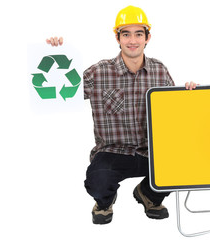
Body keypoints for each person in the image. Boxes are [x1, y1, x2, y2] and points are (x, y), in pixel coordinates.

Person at [47, 5, 198, 225]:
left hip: (151, 152)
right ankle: (105, 202)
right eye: (126, 34)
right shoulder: (99, 72)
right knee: (98, 182)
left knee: (184, 164)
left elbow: (174, 113)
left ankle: (149, 194)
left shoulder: (159, 70)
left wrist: (190, 95)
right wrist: (54, 55)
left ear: (148, 38)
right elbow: (61, 93)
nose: (132, 40)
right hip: (112, 152)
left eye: (139, 34)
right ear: (117, 38)